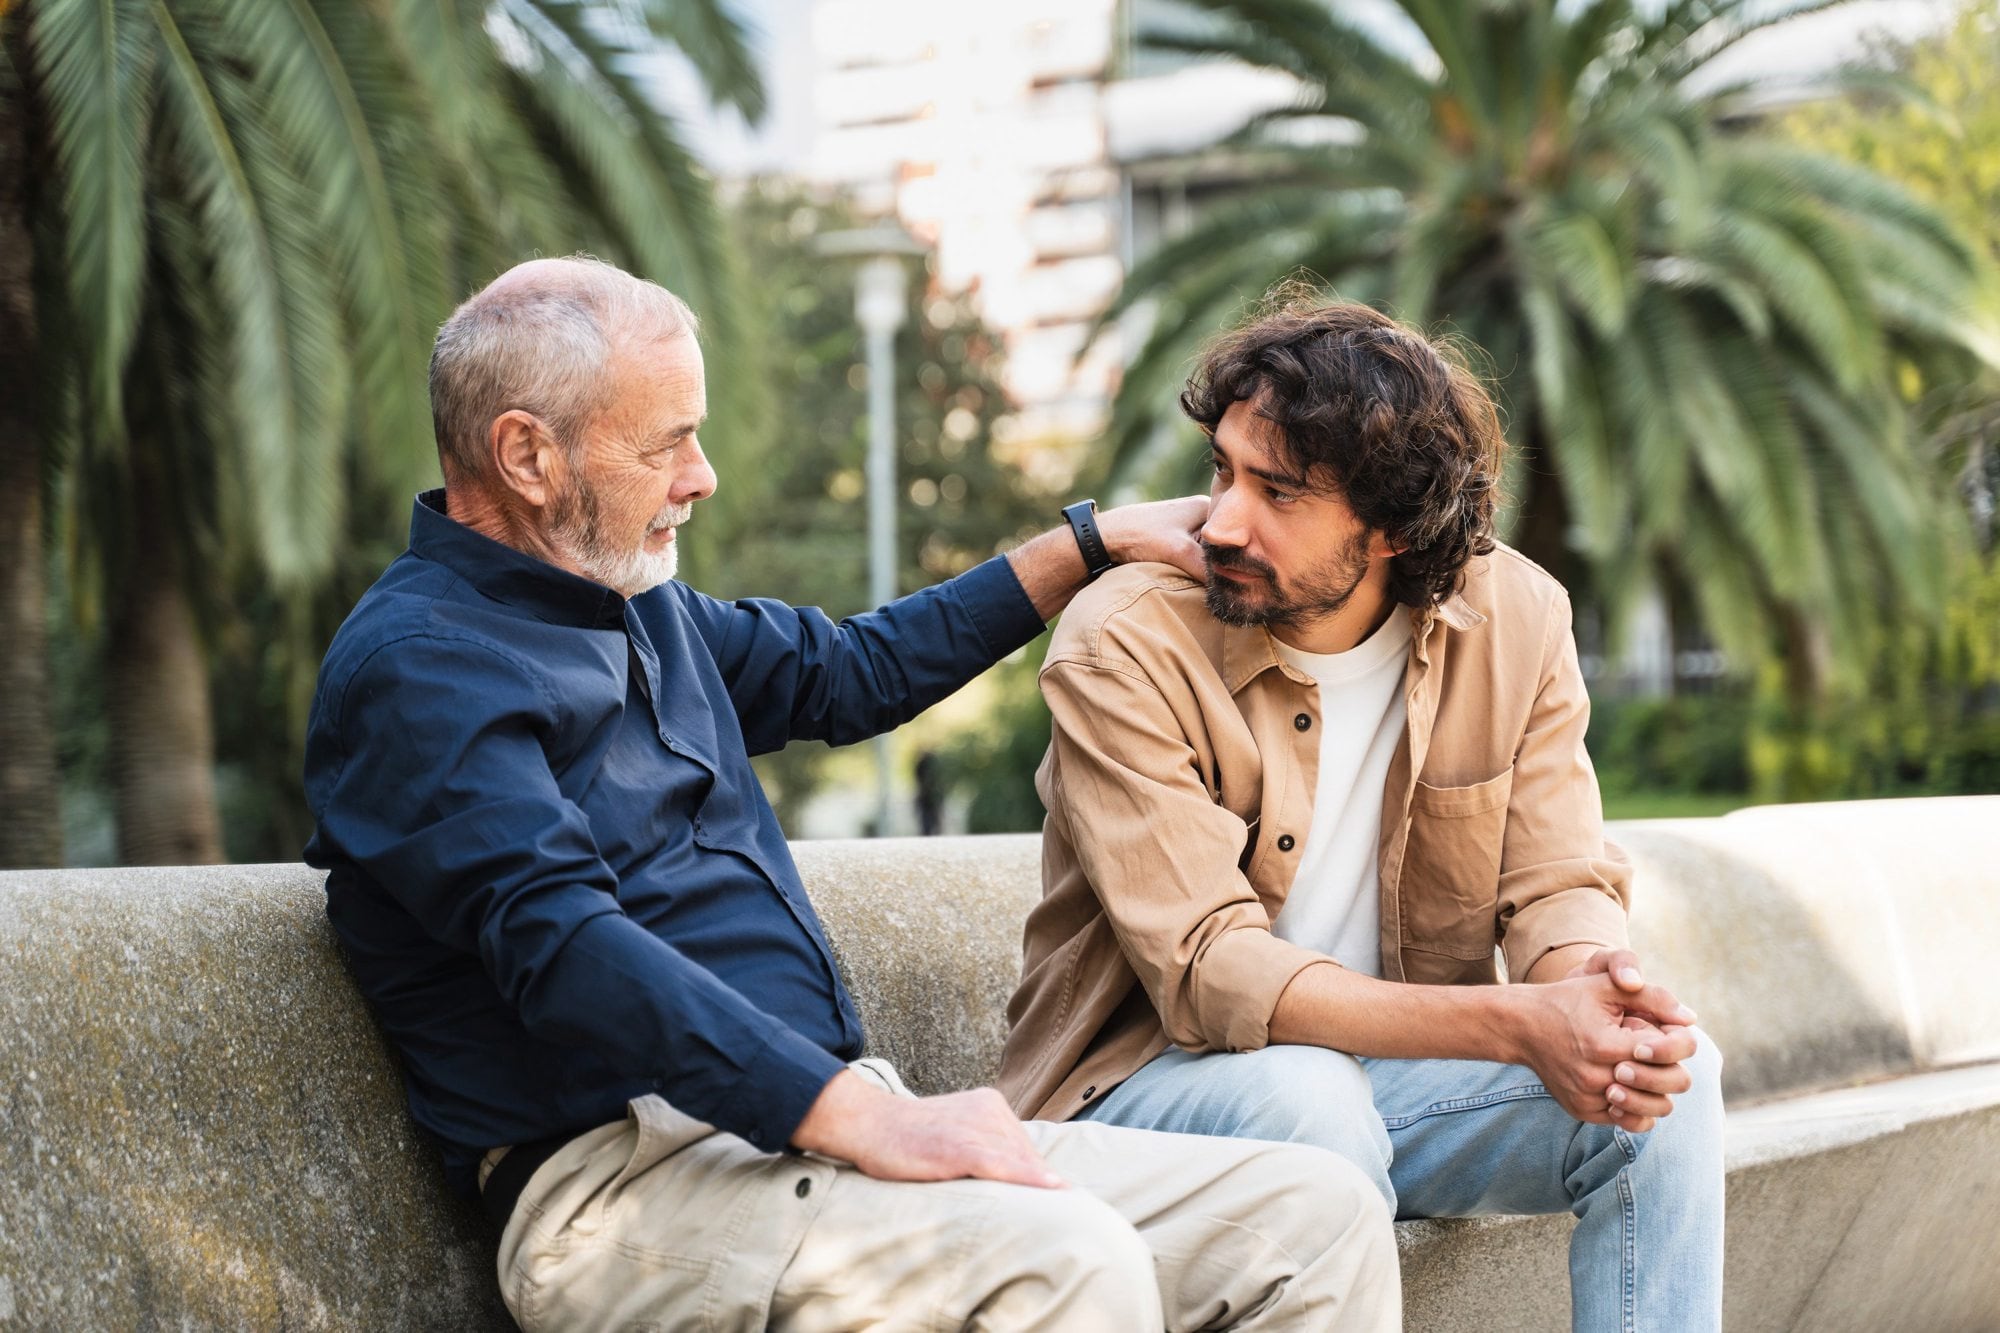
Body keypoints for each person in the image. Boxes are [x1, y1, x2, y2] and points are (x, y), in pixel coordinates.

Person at [302, 257, 1399, 1331]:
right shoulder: (418, 668)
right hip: (627, 1183)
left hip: (811, 1140)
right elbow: (563, 944)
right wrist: (858, 1119)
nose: (701, 474)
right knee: (1061, 1260)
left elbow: (852, 671)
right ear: (526, 454)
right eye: (667, 441)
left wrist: (1090, 542)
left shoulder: (640, 611)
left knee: (1315, 1218)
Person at [997, 295, 1726, 1332]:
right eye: (1223, 470)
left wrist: (1592, 1000)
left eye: (1277, 490)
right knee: (1305, 1097)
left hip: (1386, 1088)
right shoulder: (1123, 644)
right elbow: (1211, 968)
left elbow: (1556, 884)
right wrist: (1518, 1024)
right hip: (1140, 1096)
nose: (1220, 520)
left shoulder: (1516, 617)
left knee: (1664, 1087)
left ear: (1388, 526)